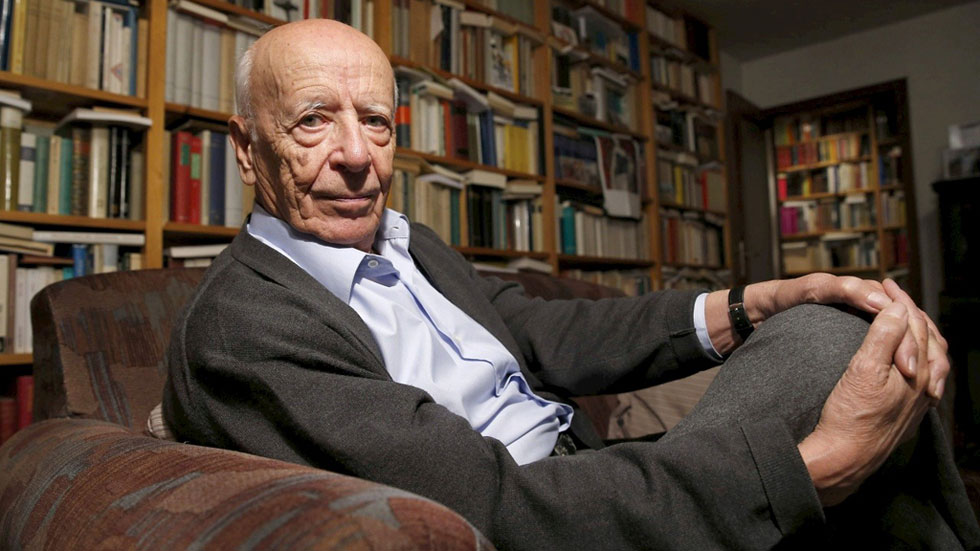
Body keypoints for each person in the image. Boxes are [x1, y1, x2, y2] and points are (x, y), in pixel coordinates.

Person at [162, 19, 980, 550]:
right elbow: (494, 506)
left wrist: (750, 302)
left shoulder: (404, 242)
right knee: (841, 346)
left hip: (594, 461)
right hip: (551, 514)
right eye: (313, 119)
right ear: (246, 148)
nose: (355, 155)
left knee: (838, 319)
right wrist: (806, 469)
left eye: (375, 120)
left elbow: (539, 330)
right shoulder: (247, 328)